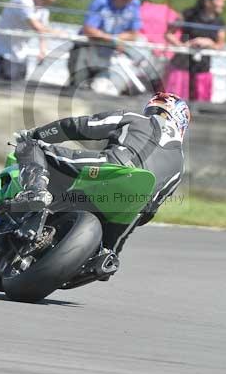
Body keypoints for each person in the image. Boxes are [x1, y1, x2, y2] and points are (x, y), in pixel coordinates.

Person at [11, 92, 190, 275]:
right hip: (133, 205)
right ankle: (107, 256)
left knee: (31, 147)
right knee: (113, 247)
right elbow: (151, 210)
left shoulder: (135, 118)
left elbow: (82, 126)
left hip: (110, 167)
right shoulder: (180, 164)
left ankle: (36, 191)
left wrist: (37, 134)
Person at [68, 0, 142, 88]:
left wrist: (117, 39)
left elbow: (134, 34)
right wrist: (114, 39)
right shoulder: (101, 1)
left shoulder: (134, 4)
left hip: (106, 56)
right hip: (86, 50)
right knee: (78, 88)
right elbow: (89, 29)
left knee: (101, 90)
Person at [164, 0, 226, 102]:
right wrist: (182, 46)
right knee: (174, 106)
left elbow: (220, 46)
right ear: (208, 1)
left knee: (199, 108)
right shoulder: (188, 14)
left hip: (202, 70)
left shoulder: (220, 22)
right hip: (182, 68)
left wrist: (209, 43)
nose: (222, 4)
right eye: (219, 1)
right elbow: (168, 34)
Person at [0, 0, 58, 81]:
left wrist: (43, 50)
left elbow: (43, 30)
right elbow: (36, 26)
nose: (44, 6)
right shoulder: (23, 0)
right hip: (3, 50)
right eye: (44, 3)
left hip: (20, 53)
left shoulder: (42, 8)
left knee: (18, 88)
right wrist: (56, 32)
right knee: (0, 87)